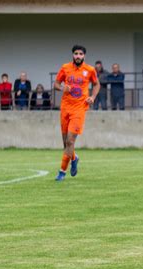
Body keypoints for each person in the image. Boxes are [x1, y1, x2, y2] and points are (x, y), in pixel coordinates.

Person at [53, 45, 100, 181]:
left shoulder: (90, 70)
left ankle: (62, 172)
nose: (78, 56)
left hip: (79, 108)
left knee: (70, 141)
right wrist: (62, 87)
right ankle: (74, 158)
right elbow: (56, 84)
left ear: (84, 56)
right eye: (76, 54)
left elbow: (97, 84)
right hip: (65, 108)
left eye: (80, 54)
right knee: (66, 144)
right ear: (72, 55)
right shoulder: (65, 68)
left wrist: (92, 97)